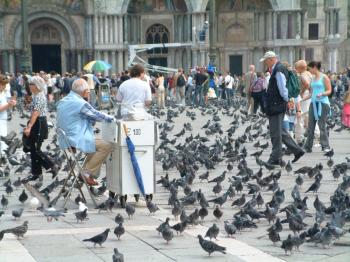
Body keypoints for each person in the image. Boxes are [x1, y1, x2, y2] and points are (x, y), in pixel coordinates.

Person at [57, 78, 114, 186]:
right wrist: (112, 118)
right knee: (106, 145)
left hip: (65, 138)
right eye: (88, 91)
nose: (89, 93)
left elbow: (83, 116)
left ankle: (86, 173)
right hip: (75, 138)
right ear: (84, 92)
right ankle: (86, 172)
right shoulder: (80, 103)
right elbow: (97, 115)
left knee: (94, 146)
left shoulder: (65, 100)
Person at [260, 51, 304, 165]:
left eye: (265, 61)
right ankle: (297, 151)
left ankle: (276, 157)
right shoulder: (277, 69)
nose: (265, 63)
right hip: (276, 104)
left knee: (275, 132)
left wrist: (287, 100)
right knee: (280, 130)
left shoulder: (278, 70)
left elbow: (283, 87)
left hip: (277, 104)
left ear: (271, 59)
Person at [22, 76, 58, 182]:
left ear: (37, 86)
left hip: (38, 123)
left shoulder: (39, 96)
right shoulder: (37, 95)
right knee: (33, 149)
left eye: (31, 84)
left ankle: (52, 166)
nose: (29, 86)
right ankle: (36, 173)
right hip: (38, 122)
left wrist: (29, 127)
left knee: (36, 149)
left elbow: (36, 113)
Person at [304, 61, 332, 153]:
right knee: (310, 126)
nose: (309, 70)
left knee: (321, 125)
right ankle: (308, 147)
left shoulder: (324, 77)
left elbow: (329, 90)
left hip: (323, 103)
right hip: (313, 103)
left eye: (310, 68)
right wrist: (302, 99)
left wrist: (322, 93)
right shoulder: (312, 78)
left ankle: (325, 146)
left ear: (315, 67)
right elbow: (312, 93)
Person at [0, 75, 17, 154]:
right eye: (3, 84)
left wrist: (11, 102)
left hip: (3, 118)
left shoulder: (2, 92)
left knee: (3, 140)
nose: (5, 86)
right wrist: (8, 105)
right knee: (2, 141)